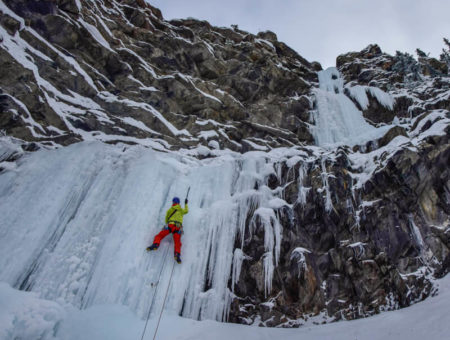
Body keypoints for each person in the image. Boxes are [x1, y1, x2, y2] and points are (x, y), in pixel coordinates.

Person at [147, 196, 188, 263]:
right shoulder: (181, 210)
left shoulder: (170, 210)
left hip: (170, 225)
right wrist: (186, 203)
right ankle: (177, 254)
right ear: (178, 203)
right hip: (178, 227)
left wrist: (168, 225)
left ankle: (156, 244)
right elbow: (186, 211)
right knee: (177, 242)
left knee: (159, 236)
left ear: (173, 202)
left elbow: (166, 219)